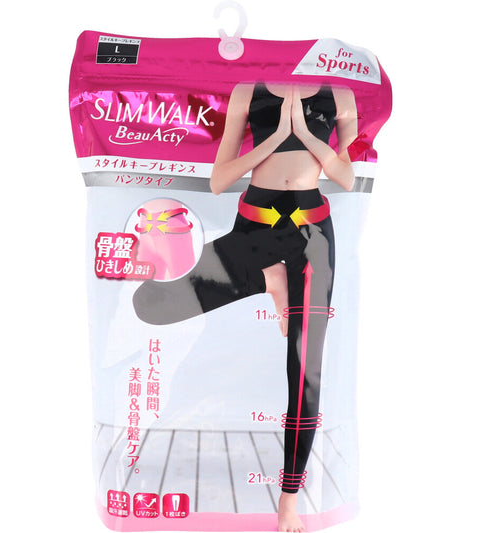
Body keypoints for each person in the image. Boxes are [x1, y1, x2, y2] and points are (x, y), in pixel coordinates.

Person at [133, 81, 358, 532]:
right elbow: (219, 181)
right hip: (254, 227)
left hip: (312, 235)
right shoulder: (247, 91)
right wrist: (273, 140)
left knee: (306, 370)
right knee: (150, 302)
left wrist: (306, 135)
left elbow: (347, 178)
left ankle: (289, 500)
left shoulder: (339, 96)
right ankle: (268, 277)